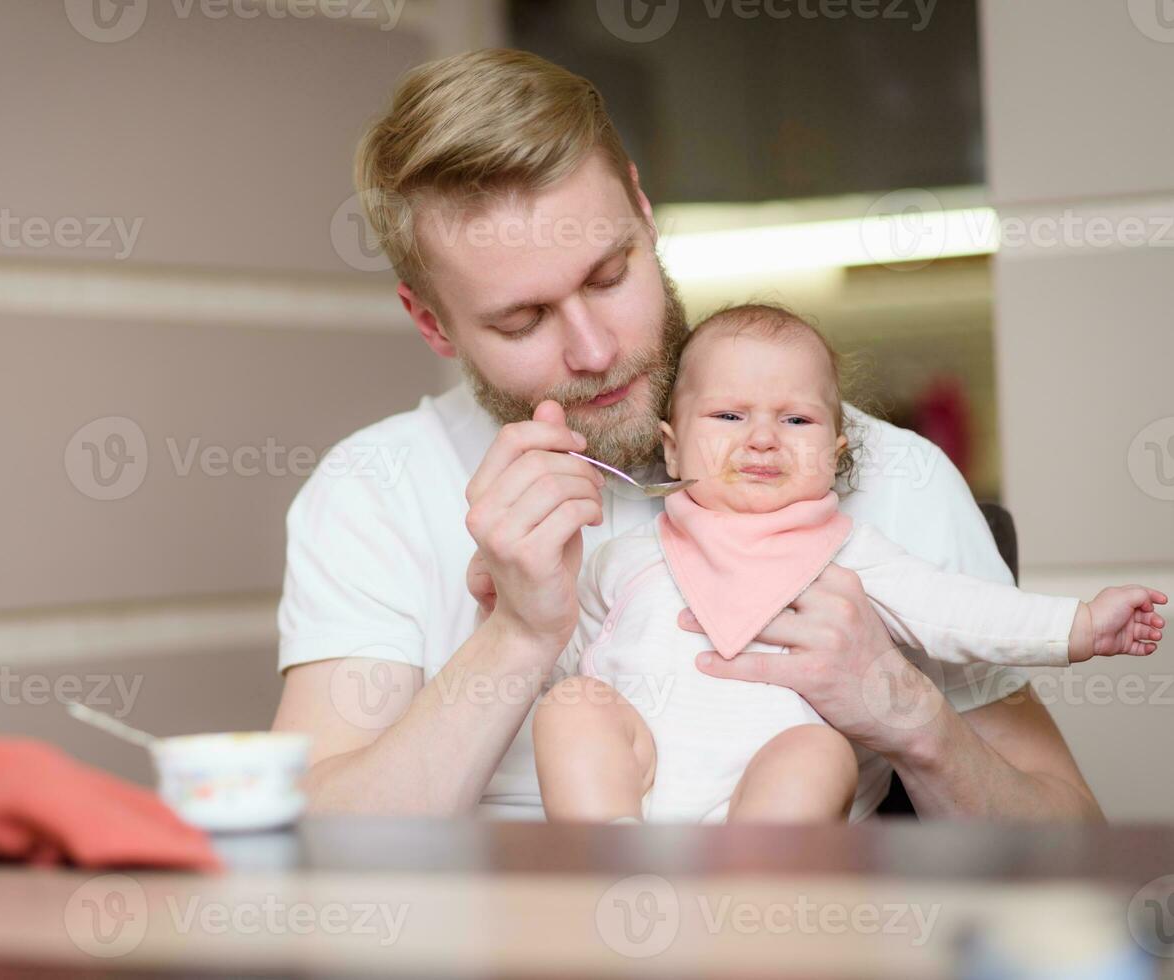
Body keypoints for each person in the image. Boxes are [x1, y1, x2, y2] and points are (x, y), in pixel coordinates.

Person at [270, 48, 1106, 821]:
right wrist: (517, 636)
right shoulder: (373, 488)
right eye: (523, 320)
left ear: (642, 209)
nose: (594, 350)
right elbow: (310, 847)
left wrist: (909, 713)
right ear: (432, 323)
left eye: (609, 274)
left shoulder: (893, 475)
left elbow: (1075, 841)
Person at [530, 303, 1166, 824]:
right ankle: (607, 868)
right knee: (573, 706)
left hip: (769, 804)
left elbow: (959, 611)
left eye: (796, 419)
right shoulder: (624, 558)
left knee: (818, 755)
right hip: (636, 793)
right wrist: (509, 600)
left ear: (835, 454)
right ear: (672, 449)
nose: (761, 437)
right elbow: (574, 650)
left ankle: (743, 907)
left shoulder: (852, 555)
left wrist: (1079, 626)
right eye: (728, 415)